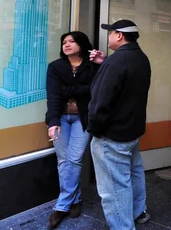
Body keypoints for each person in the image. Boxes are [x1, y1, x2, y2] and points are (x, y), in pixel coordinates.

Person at [88, 19, 152, 230]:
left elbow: (100, 103)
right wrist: (105, 63)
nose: (108, 37)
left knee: (114, 187)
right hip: (132, 131)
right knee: (133, 173)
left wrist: (95, 131)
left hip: (112, 136)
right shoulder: (140, 58)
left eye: (110, 33)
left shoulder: (115, 63)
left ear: (119, 36)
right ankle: (138, 212)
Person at [45, 31, 99, 229]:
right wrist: (52, 122)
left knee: (74, 159)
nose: (67, 44)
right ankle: (74, 200)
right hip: (59, 118)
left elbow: (96, 90)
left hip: (82, 119)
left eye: (72, 41)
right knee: (63, 160)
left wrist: (68, 89)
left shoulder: (92, 66)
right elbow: (53, 95)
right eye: (64, 42)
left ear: (82, 44)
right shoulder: (55, 67)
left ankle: (61, 205)